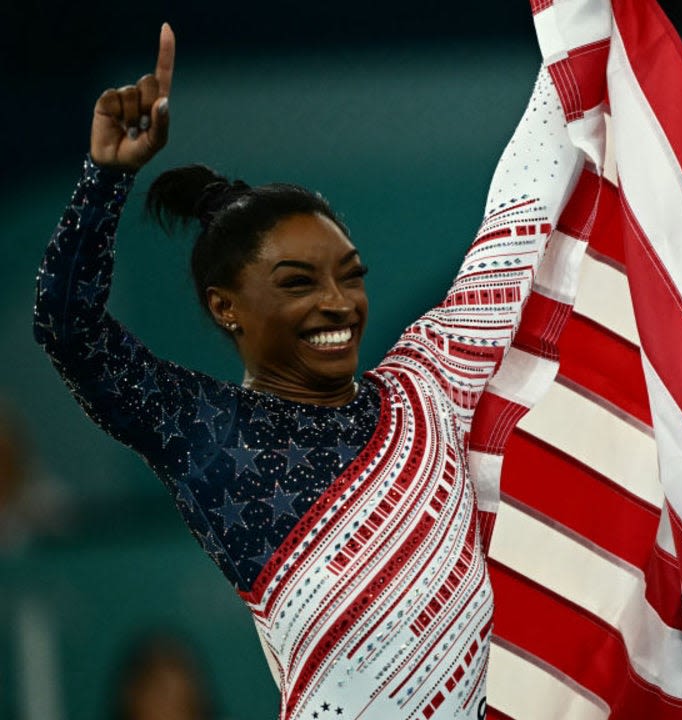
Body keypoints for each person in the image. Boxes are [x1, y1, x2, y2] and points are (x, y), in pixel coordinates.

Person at [34, 24, 573, 719]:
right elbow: (67, 327)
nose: (337, 302)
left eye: (352, 276)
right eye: (298, 283)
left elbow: (522, 217)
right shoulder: (207, 434)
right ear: (225, 307)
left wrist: (588, 32)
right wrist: (106, 177)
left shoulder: (428, 380)